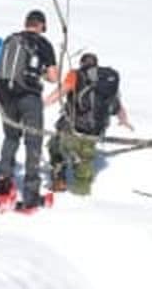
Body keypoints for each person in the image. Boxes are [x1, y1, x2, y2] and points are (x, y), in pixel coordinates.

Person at [0, 10, 58, 212]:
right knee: (33, 142)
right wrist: (43, 75)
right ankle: (30, 196)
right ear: (41, 26)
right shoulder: (43, 44)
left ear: (26, 23)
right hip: (29, 97)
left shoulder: (10, 40)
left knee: (10, 138)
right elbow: (54, 77)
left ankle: (4, 189)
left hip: (6, 96)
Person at [45, 52, 133, 195]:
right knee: (85, 158)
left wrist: (45, 102)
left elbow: (62, 91)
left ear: (82, 63)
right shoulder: (106, 81)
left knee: (55, 146)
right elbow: (117, 104)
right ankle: (82, 192)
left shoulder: (76, 74)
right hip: (95, 129)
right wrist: (124, 120)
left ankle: (59, 180)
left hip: (73, 124)